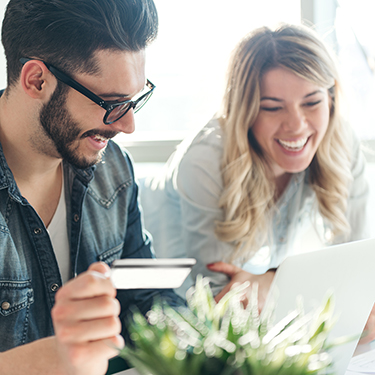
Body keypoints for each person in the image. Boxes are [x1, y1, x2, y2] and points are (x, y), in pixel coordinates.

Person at [0, 0, 182, 374]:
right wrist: (52, 360)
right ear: (37, 80)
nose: (127, 126)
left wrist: (210, 339)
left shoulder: (113, 169)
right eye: (112, 103)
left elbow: (148, 296)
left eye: (134, 99)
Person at [140, 24, 369, 305]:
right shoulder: (205, 160)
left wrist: (272, 279)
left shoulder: (340, 141)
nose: (296, 126)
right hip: (153, 284)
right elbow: (222, 296)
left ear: (331, 99)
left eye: (311, 102)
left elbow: (358, 266)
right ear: (244, 109)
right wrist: (276, 281)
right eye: (272, 107)